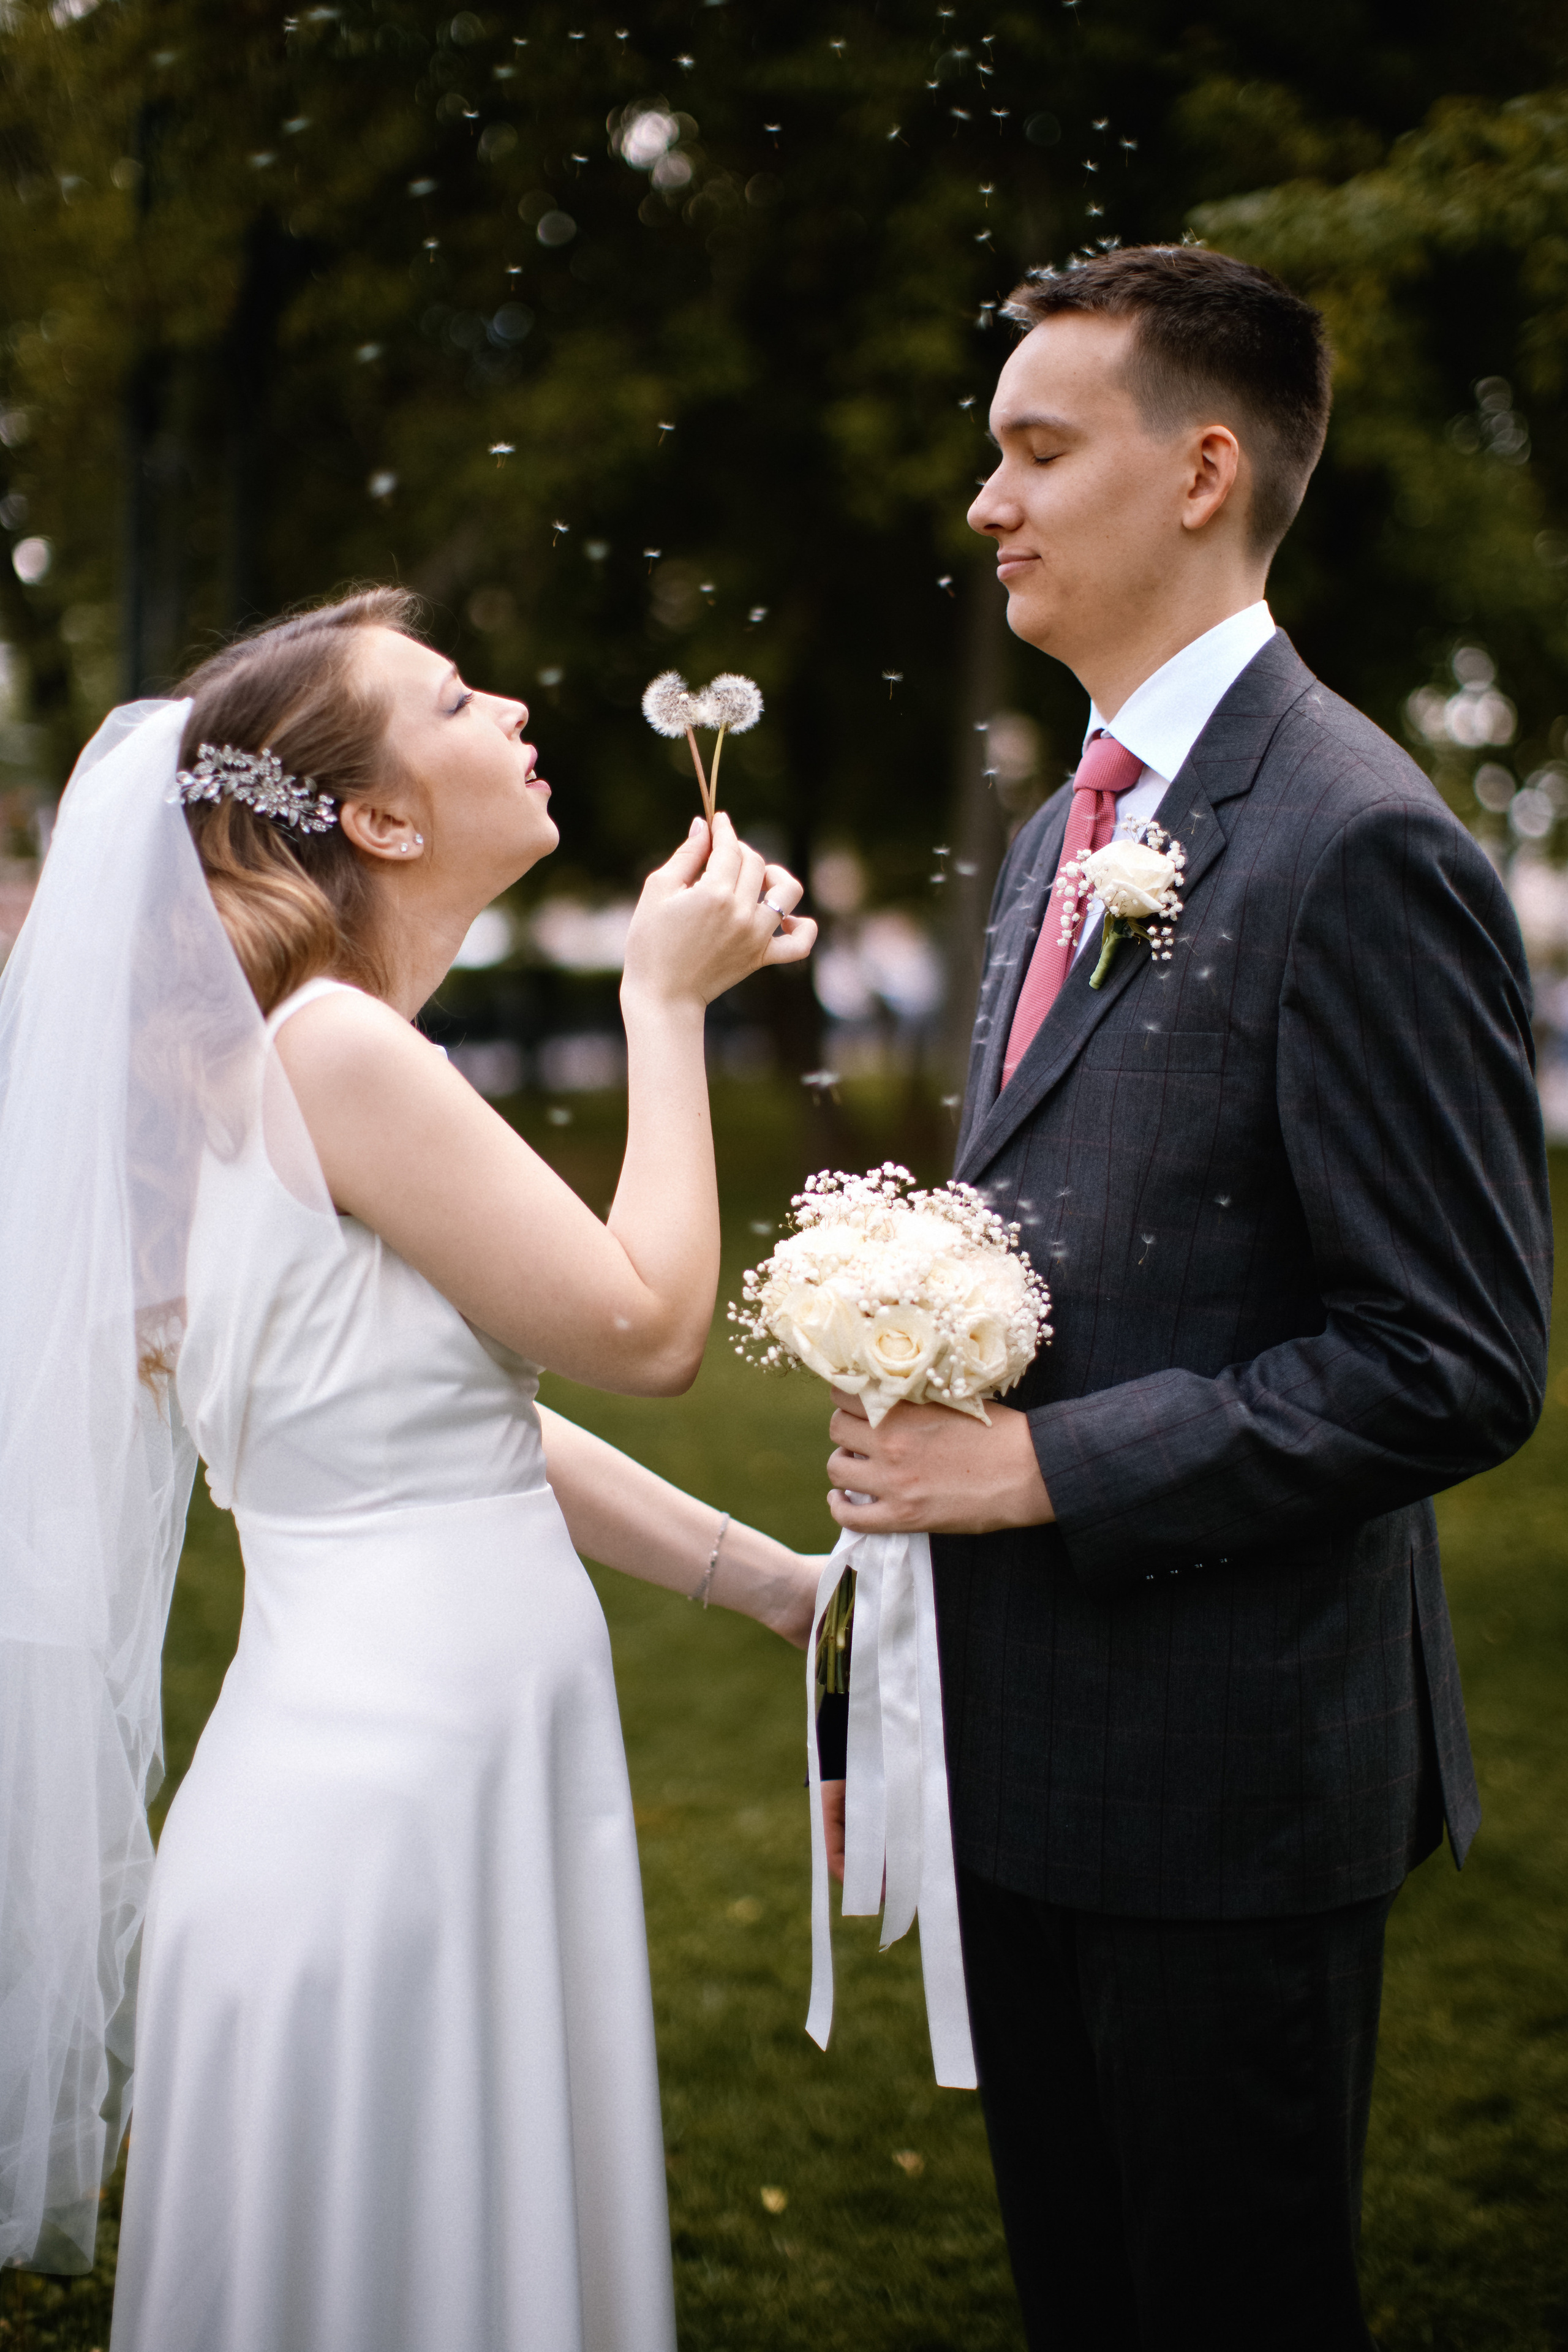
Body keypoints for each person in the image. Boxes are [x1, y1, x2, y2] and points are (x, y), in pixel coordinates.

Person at [818, 247, 1551, 2349]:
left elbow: (1459, 1360)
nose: (989, 502)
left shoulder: (1357, 840)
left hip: (1235, 1788)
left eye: (1039, 450)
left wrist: (1046, 1468)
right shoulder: (1070, 825)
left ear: (1207, 467)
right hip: (1026, 1751)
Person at [0, 588, 823, 2352]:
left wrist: (775, 1588)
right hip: (398, 1813)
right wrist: (662, 1005)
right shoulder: (340, 1051)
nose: (516, 705)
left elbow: (450, 1424)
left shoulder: (267, 1073)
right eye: (456, 697)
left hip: (360, 1789)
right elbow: (649, 1327)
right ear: (375, 816)